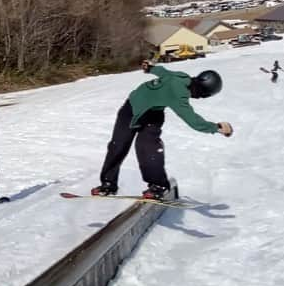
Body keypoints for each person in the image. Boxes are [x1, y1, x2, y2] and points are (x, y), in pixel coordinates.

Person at [92, 62, 233, 199]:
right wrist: (216, 128)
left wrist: (150, 68)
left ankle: (153, 185)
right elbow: (193, 121)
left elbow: (162, 71)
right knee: (121, 145)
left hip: (149, 113)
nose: (199, 98)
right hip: (131, 111)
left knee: (144, 145)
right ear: (203, 90)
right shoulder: (179, 95)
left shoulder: (182, 77)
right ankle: (110, 183)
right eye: (203, 95)